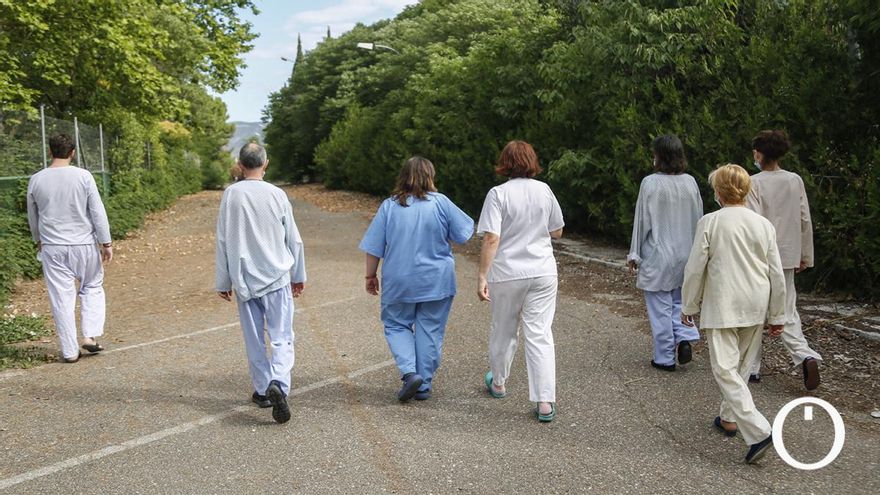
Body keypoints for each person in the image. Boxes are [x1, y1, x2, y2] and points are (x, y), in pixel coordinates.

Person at [681, 164, 786, 464]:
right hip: (755, 303)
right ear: (746, 190)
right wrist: (778, 314)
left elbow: (695, 268)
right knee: (740, 366)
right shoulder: (763, 224)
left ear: (718, 191)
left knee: (724, 369)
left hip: (723, 303)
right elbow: (776, 273)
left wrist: (689, 305)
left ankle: (759, 429)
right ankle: (729, 418)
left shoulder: (710, 222)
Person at [359, 156, 474, 402]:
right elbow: (464, 234)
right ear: (430, 176)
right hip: (437, 281)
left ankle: (410, 373)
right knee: (430, 329)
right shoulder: (441, 203)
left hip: (399, 280)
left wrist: (370, 275)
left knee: (396, 325)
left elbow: (374, 246)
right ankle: (423, 384)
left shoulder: (390, 206)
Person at [215, 143, 306, 424]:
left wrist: (223, 279)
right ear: (265, 164)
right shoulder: (277, 195)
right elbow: (293, 238)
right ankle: (279, 381)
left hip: (245, 278)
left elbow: (222, 239)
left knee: (254, 338)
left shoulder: (231, 195)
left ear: (240, 165)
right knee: (281, 335)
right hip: (276, 275)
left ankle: (262, 390)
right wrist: (298, 275)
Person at [477, 140, 564, 423]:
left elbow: (491, 237)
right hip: (542, 271)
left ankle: (499, 382)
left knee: (504, 329)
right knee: (540, 334)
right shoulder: (545, 190)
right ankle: (545, 401)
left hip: (508, 273)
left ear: (505, 162)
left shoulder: (498, 194)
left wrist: (482, 275)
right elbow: (558, 231)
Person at [745, 130, 822, 390]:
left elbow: (752, 222)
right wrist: (805, 254)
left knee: (755, 311)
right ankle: (805, 354)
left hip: (760, 257)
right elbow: (804, 219)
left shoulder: (752, 182)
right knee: (786, 310)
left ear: (760, 152)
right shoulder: (794, 180)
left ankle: (751, 367)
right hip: (787, 255)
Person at [27, 133, 113, 363]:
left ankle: (69, 351)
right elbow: (97, 211)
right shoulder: (83, 176)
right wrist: (106, 242)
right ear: (73, 152)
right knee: (93, 286)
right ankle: (89, 336)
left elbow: (32, 216)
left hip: (52, 247)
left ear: (50, 151)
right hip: (84, 243)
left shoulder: (36, 179)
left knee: (61, 298)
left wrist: (39, 239)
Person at [627, 135, 703, 372]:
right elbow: (699, 218)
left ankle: (664, 358)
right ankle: (684, 335)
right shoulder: (690, 182)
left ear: (658, 156)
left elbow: (642, 221)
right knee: (681, 301)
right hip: (687, 253)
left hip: (659, 253)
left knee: (660, 307)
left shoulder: (650, 183)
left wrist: (634, 254)